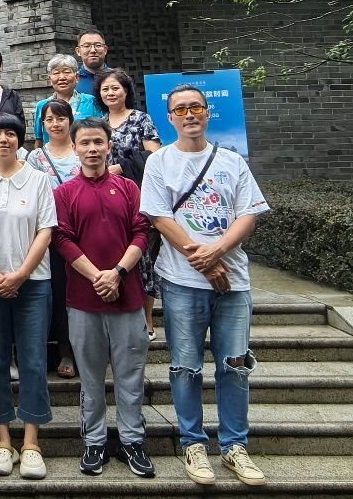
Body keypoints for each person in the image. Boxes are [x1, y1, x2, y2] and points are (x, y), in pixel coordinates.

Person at [140, 85, 271, 488]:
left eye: (195, 107)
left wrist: (217, 252)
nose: (189, 114)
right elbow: (159, 217)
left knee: (235, 366)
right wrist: (204, 261)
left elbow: (248, 214)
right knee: (185, 367)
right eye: (180, 109)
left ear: (207, 111)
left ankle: (235, 446)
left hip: (233, 281)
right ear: (170, 118)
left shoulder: (231, 161)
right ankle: (193, 444)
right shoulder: (159, 161)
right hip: (181, 281)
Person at [53, 118, 154, 479]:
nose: (92, 149)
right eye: (85, 143)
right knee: (91, 377)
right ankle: (94, 441)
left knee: (131, 374)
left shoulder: (128, 188)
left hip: (128, 297)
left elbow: (142, 232)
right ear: (75, 149)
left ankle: (132, 441)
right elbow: (62, 239)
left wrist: (118, 273)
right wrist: (98, 276)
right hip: (84, 299)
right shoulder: (64, 193)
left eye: (98, 142)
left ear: (109, 146)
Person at [0, 113, 56, 480]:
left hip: (33, 283)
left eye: (10, 133)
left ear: (20, 140)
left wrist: (20, 274)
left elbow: (46, 231)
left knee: (34, 360)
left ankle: (32, 442)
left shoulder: (38, 179)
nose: (3, 139)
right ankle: (2, 438)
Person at [95, 68, 163, 336]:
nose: (110, 93)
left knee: (143, 256)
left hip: (137, 196)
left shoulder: (141, 119)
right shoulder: (98, 122)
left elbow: (154, 154)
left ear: (126, 91)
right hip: (106, 198)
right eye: (105, 89)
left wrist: (120, 168)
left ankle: (147, 319)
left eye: (115, 88)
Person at [25, 98, 81, 379]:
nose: (55, 124)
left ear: (70, 120)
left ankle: (89, 349)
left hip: (84, 233)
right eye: (49, 119)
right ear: (43, 124)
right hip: (51, 236)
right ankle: (65, 350)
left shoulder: (83, 149)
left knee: (84, 292)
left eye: (61, 118)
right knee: (59, 294)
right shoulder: (35, 158)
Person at [32, 55, 99, 146]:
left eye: (67, 72)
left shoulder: (91, 101)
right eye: (56, 73)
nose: (62, 77)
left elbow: (101, 133)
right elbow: (39, 139)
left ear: (77, 77)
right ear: (50, 79)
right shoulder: (42, 105)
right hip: (52, 154)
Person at [74, 30, 111, 98]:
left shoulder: (119, 79)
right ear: (78, 51)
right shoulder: (73, 81)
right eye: (87, 46)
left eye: (98, 45)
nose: (93, 50)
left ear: (105, 50)